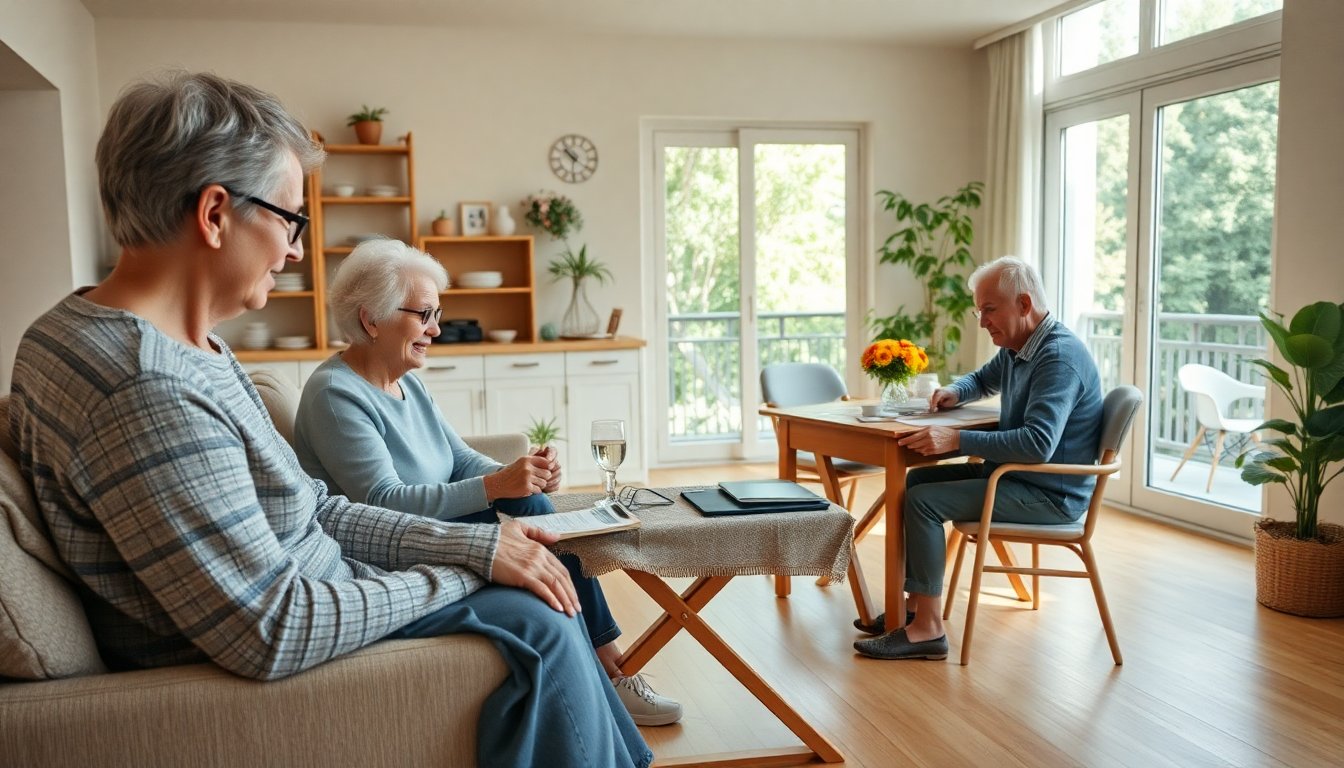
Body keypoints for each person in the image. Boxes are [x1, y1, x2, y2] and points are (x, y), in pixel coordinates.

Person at [7, 71, 651, 768]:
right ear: (215, 213)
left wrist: (476, 547)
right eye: (289, 219)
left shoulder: (170, 343)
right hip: (289, 628)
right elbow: (270, 628)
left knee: (532, 584)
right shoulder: (144, 384)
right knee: (540, 616)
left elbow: (315, 506)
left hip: (325, 581)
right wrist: (474, 567)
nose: (294, 250)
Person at [292, 238, 682, 726]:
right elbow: (383, 503)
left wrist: (520, 473)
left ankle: (603, 665)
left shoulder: (404, 379)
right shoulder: (335, 394)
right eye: (425, 315)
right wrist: (499, 487)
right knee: (536, 517)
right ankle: (610, 665)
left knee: (534, 507)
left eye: (438, 313)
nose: (435, 329)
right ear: (372, 319)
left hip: (432, 524)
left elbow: (456, 458)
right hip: (387, 546)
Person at [853, 256, 1103, 661]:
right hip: (1017, 477)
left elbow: (1038, 443)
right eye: (979, 310)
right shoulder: (1022, 345)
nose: (982, 321)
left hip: (1050, 494)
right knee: (911, 483)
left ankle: (927, 631)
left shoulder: (1057, 358)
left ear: (1023, 304)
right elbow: (983, 378)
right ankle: (915, 608)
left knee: (923, 501)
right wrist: (956, 391)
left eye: (989, 309)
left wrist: (956, 439)